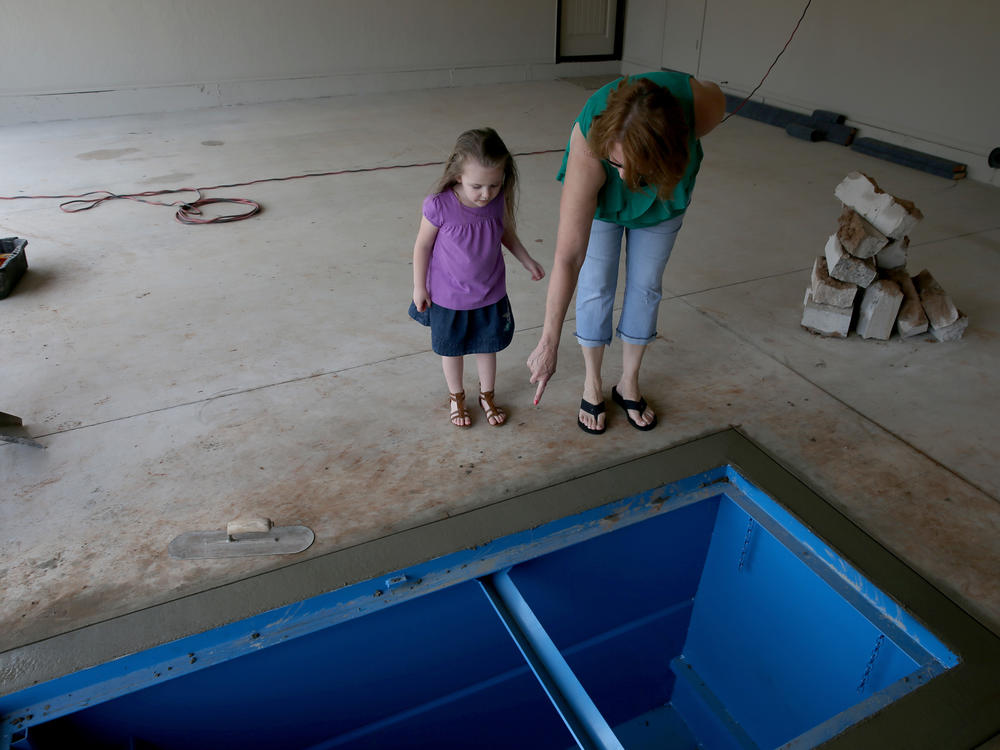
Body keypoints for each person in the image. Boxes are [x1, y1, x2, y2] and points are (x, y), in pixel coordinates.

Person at [526, 72, 725, 434]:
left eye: (634, 168)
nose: (624, 177)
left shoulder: (703, 109)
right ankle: (592, 382)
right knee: (596, 284)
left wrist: (656, 169)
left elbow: (714, 92)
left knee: (647, 285)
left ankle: (629, 383)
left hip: (664, 192)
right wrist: (548, 341)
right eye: (616, 163)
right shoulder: (591, 140)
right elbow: (568, 257)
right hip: (601, 203)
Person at [411, 127, 545, 428]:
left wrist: (527, 259)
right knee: (452, 350)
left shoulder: (497, 201)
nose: (486, 194)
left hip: (489, 293)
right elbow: (422, 245)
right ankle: (456, 396)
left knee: (487, 346)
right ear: (458, 175)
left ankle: (487, 394)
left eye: (495, 186)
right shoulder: (439, 205)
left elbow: (505, 233)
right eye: (477, 186)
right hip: (449, 296)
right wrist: (420, 286)